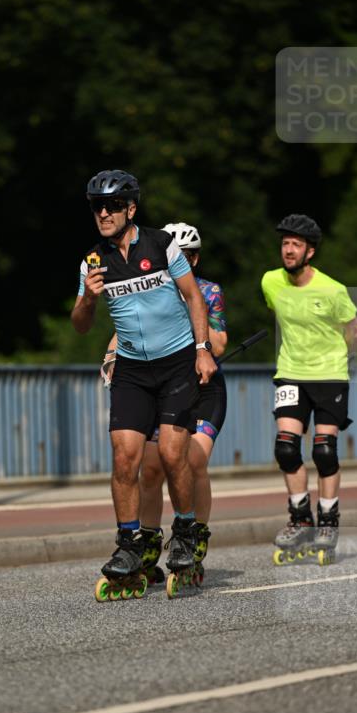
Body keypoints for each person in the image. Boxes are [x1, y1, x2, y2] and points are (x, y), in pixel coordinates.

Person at [72, 170, 216, 587]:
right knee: (124, 458)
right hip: (132, 370)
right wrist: (88, 297)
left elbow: (193, 297)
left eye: (112, 206)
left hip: (176, 363)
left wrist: (203, 350)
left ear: (130, 209)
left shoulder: (161, 244)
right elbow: (80, 325)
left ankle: (186, 533)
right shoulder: (93, 262)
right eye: (97, 206)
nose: (103, 213)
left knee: (172, 455)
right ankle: (128, 543)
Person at [103, 222, 228, 581]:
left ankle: (194, 534)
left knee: (190, 459)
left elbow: (218, 344)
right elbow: (125, 328)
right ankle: (147, 540)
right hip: (160, 382)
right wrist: (112, 356)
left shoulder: (205, 290)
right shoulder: (150, 283)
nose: (182, 262)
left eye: (189, 256)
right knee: (152, 467)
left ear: (194, 258)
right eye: (178, 255)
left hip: (203, 386)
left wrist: (189, 324)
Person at [261, 214, 357, 559]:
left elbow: (355, 331)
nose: (288, 250)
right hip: (291, 373)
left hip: (330, 375)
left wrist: (336, 360)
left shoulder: (333, 290)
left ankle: (328, 521)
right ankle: (300, 520)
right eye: (285, 243)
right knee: (286, 448)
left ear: (310, 252)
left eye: (296, 245)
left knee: (323, 450)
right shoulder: (271, 282)